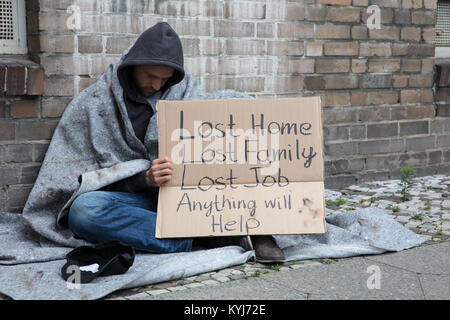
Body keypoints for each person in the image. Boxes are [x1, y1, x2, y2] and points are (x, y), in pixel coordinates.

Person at [67, 22, 285, 262]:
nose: (157, 85)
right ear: (133, 65)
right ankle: (207, 237)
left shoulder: (184, 91)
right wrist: (144, 179)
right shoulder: (97, 104)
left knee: (234, 107)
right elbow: (85, 180)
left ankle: (256, 226)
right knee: (84, 211)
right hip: (141, 201)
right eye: (151, 76)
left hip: (194, 195)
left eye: (165, 79)